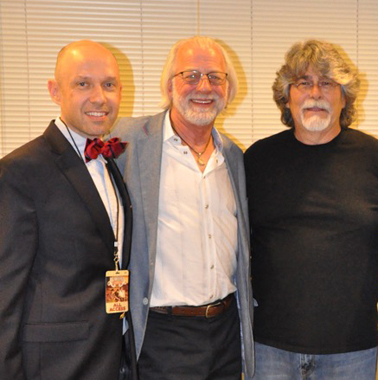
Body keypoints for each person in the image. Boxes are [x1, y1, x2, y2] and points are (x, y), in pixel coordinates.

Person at [244, 39, 378, 379]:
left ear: (344, 97)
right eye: (303, 83)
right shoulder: (257, 161)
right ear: (287, 97)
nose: (316, 92)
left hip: (352, 350)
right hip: (270, 346)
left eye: (328, 83)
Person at [110, 36, 254, 380]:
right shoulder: (125, 140)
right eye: (190, 75)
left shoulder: (233, 157)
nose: (203, 87)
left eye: (215, 77)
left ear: (228, 89)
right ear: (169, 85)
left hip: (225, 331)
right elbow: (75, 163)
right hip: (162, 334)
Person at [0, 40, 137, 379]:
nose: (99, 97)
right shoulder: (20, 170)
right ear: (55, 91)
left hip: (113, 356)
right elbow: (4, 295)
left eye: (108, 84)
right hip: (56, 365)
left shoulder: (110, 160)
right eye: (82, 84)